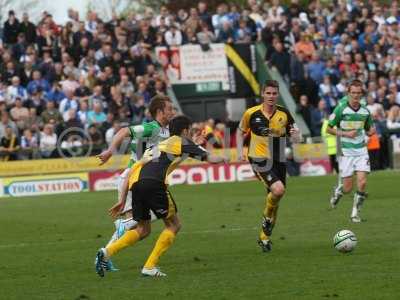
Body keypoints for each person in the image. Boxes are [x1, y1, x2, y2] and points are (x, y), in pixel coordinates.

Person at [95, 115, 228, 277]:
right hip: (154, 183)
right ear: (185, 130)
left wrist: (122, 201)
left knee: (143, 229)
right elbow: (211, 158)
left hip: (136, 184)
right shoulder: (182, 142)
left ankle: (106, 252)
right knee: (174, 225)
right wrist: (226, 158)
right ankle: (149, 266)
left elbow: (132, 171)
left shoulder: (157, 147)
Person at [96, 95, 174, 271]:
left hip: (142, 180)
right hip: (133, 179)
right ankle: (118, 233)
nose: (172, 112)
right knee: (141, 223)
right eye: (170, 109)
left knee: (146, 224)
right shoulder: (151, 127)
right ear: (160, 112)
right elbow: (124, 131)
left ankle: (105, 254)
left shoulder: (165, 131)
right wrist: (110, 151)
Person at [236, 80, 300, 252]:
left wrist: (295, 135)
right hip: (258, 158)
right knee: (278, 190)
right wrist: (240, 150)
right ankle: (266, 220)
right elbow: (240, 130)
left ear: (277, 94)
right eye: (268, 93)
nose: (271, 96)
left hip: (278, 159)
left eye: (274, 93)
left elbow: (295, 136)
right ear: (262, 94)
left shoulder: (284, 113)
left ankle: (264, 238)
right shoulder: (251, 113)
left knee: (276, 199)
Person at [327, 80, 375, 223]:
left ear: (361, 94)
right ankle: (338, 191)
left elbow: (369, 128)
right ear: (348, 93)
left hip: (361, 151)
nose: (355, 95)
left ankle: (355, 214)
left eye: (358, 93)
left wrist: (371, 131)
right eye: (353, 93)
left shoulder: (365, 111)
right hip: (346, 152)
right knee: (348, 188)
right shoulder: (341, 109)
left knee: (362, 183)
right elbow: (328, 129)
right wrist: (345, 134)